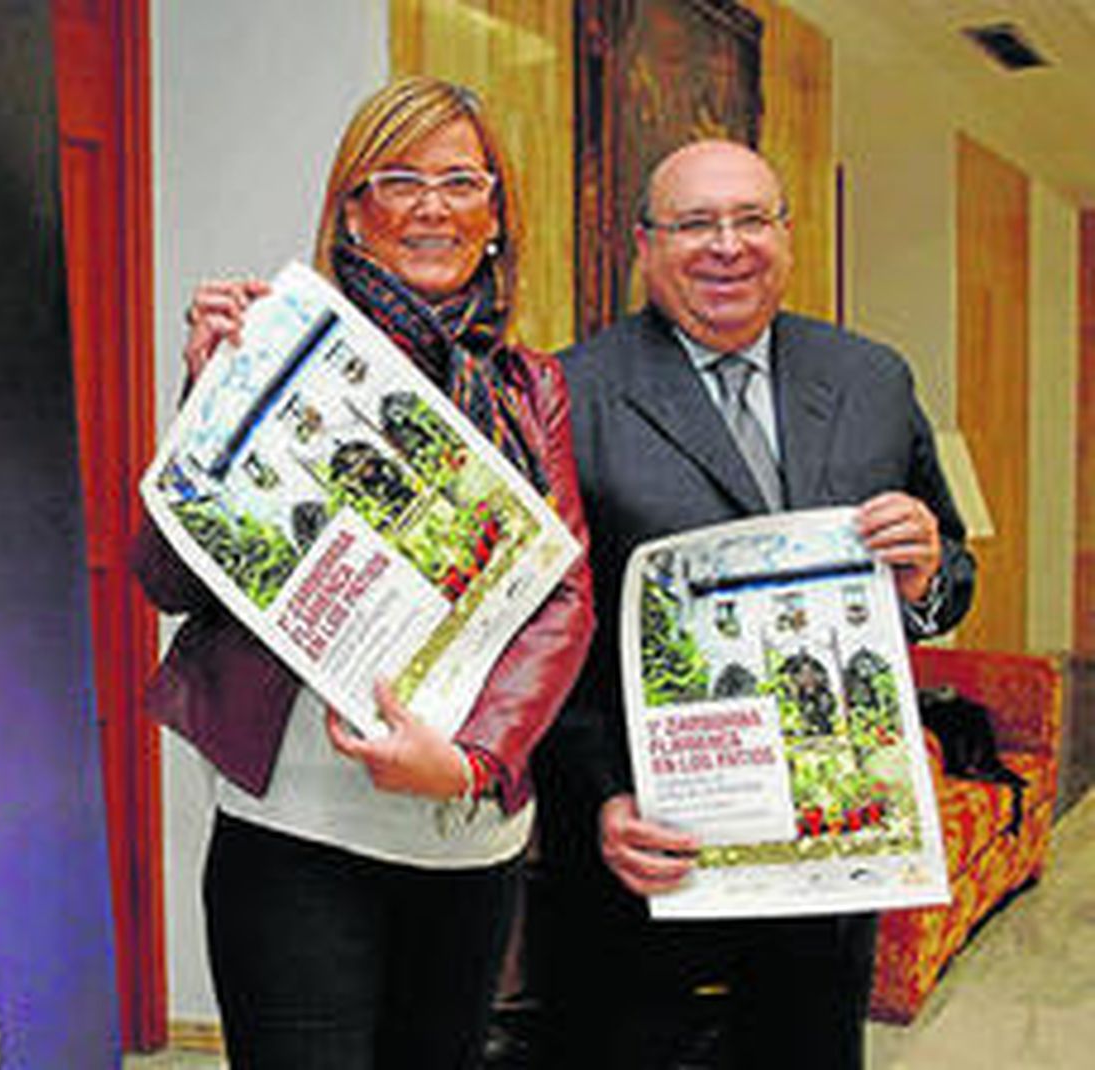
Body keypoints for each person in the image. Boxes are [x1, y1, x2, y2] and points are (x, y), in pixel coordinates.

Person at [129, 77, 594, 1069]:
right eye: (398, 180)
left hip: (465, 835)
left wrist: (471, 761)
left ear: (496, 213)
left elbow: (561, 598)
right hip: (294, 826)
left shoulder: (529, 386)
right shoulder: (277, 350)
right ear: (351, 210)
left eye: (460, 182)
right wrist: (206, 400)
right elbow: (165, 577)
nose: (432, 206)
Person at [529, 139, 977, 1069]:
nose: (726, 246)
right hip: (648, 849)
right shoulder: (571, 392)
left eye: (750, 219)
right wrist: (602, 796)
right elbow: (541, 632)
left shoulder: (872, 378)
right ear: (645, 249)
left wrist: (928, 572)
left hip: (826, 849)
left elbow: (950, 566)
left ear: (787, 236)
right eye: (694, 224)